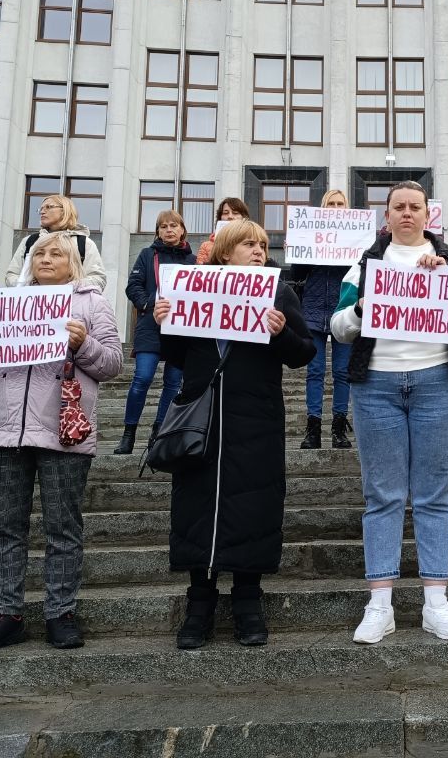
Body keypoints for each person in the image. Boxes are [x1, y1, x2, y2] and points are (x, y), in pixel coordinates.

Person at [331, 181, 448, 645]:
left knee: (435, 494)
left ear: (427, 215)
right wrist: (362, 306)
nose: (406, 213)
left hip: (439, 383)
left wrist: (446, 282)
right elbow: (338, 327)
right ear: (386, 216)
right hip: (377, 385)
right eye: (398, 207)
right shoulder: (365, 263)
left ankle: (435, 602)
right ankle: (380, 604)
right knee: (382, 494)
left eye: (414, 207)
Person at [0, 231, 123, 654]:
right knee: (5, 528)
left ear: (74, 262)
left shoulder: (91, 303)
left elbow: (114, 363)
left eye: (56, 253)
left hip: (63, 431)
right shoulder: (4, 303)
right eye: (39, 252)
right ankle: (6, 614)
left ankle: (60, 613)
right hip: (3, 430)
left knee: (63, 527)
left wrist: (82, 345)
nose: (45, 258)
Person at [154, 219, 315, 649]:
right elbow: (175, 356)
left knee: (254, 507)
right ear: (226, 252)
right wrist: (163, 322)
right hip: (200, 419)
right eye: (249, 244)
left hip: (255, 419)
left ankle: (248, 601)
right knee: (196, 507)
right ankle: (199, 604)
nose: (260, 250)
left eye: (263, 244)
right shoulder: (192, 287)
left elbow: (304, 354)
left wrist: (280, 333)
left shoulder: (279, 291)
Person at [115, 210, 195, 455]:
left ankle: (158, 432)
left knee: (173, 383)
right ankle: (129, 433)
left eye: (173, 225)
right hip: (150, 326)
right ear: (158, 232)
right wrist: (150, 303)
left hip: (180, 330)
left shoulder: (192, 261)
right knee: (142, 378)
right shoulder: (147, 255)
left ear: (182, 230)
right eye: (163, 226)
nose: (168, 230)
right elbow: (133, 286)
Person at [293, 189, 354, 450]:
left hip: (344, 310)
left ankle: (339, 428)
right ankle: (313, 428)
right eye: (331, 203)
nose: (336, 207)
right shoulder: (310, 233)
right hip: (314, 309)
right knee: (315, 372)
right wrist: (296, 248)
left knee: (342, 372)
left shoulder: (355, 236)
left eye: (340, 204)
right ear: (323, 207)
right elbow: (297, 273)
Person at [5, 194, 106, 293]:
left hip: (72, 305)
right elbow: (12, 275)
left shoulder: (83, 243)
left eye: (48, 207)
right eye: (41, 209)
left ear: (65, 210)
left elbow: (98, 279)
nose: (42, 212)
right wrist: (31, 286)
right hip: (32, 304)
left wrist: (68, 288)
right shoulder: (30, 241)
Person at [196, 197, 249, 265]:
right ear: (220, 217)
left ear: (244, 218)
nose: (230, 216)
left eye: (235, 213)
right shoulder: (206, 246)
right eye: (225, 213)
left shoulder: (253, 243)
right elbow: (201, 271)